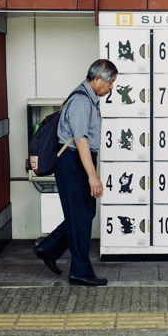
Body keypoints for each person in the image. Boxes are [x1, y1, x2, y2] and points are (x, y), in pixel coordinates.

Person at [33, 59, 118, 286]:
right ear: (98, 79)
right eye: (110, 83)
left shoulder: (88, 98)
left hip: (78, 160)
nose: (111, 88)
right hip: (73, 162)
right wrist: (93, 176)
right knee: (80, 217)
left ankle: (49, 247)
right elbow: (80, 140)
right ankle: (79, 271)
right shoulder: (81, 101)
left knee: (83, 214)